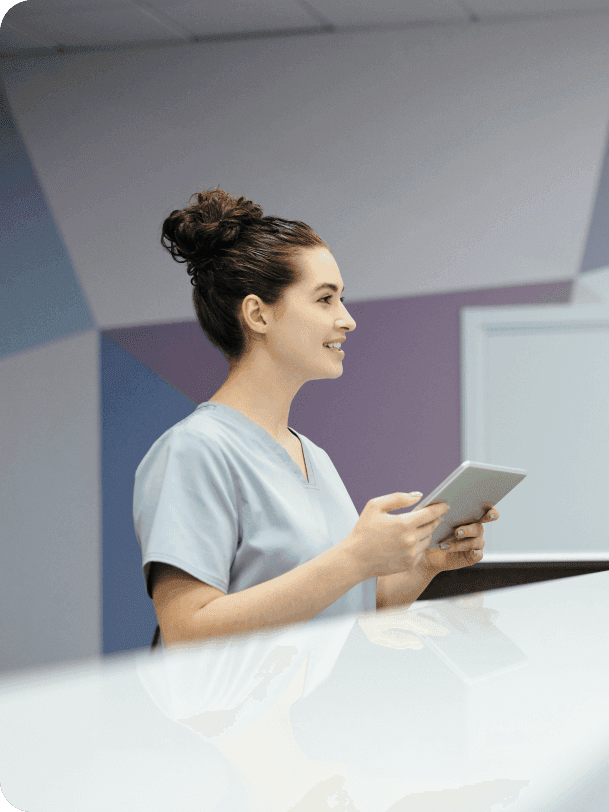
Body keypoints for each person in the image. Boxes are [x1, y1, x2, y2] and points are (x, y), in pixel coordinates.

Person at [135, 189, 497, 648]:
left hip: (310, 717)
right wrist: (354, 558)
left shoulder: (313, 458)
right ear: (257, 314)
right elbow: (186, 630)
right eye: (325, 299)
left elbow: (348, 604)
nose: (346, 320)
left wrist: (427, 562)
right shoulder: (195, 450)